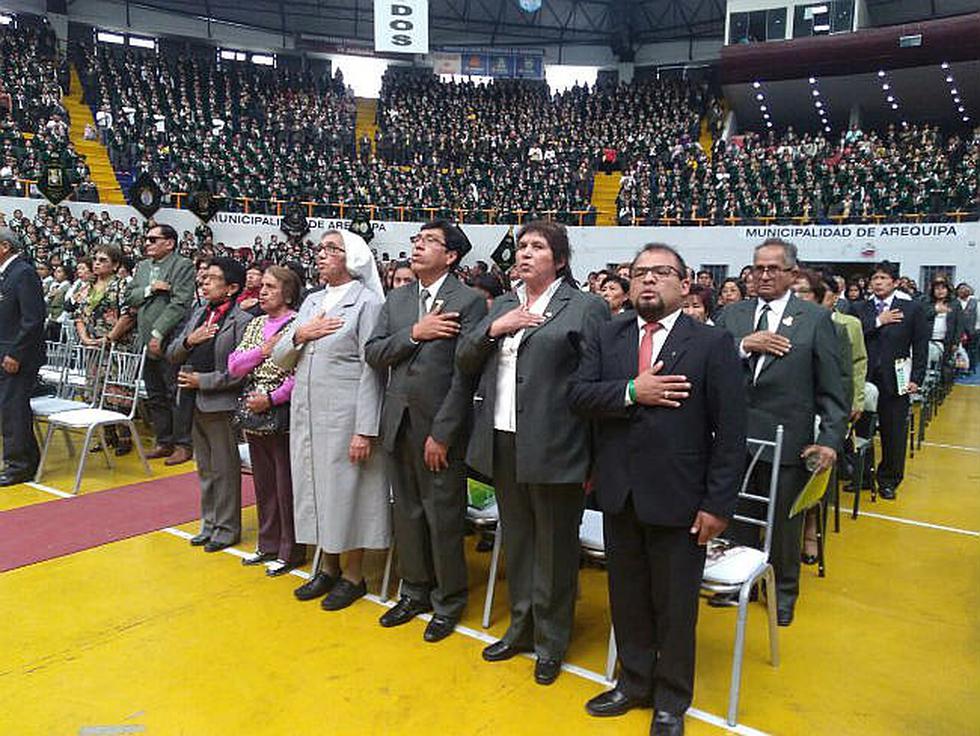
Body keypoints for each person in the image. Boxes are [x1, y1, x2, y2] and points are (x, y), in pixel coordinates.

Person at [568, 244, 746, 736]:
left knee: (674, 605)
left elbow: (731, 431)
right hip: (620, 491)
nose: (648, 281)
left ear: (684, 285)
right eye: (640, 273)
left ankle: (671, 700)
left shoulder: (711, 343)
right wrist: (631, 391)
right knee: (626, 597)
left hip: (682, 496)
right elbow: (579, 395)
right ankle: (634, 682)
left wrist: (718, 504)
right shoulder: (608, 335)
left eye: (661, 272)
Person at [457, 221, 608, 686]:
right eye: (522, 247)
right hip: (502, 437)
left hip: (557, 444)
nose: (524, 254)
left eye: (537, 247)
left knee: (555, 547)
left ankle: (551, 639)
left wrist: (593, 458)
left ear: (559, 260)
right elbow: (464, 359)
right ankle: (520, 626)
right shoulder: (503, 303)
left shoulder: (586, 307)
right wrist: (495, 328)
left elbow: (595, 385)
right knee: (518, 539)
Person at [364, 220, 487, 643]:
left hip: (437, 429)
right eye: (416, 240)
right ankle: (413, 589)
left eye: (429, 241)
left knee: (443, 515)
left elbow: (465, 375)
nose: (417, 246)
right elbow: (374, 353)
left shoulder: (468, 301)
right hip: (398, 422)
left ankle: (448, 599)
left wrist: (445, 433)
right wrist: (415, 333)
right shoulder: (398, 299)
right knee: (408, 511)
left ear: (451, 255)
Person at [713, 239, 847, 626]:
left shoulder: (815, 319)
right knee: (736, 515)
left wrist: (830, 440)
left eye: (773, 268)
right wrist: (742, 346)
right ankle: (737, 583)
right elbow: (712, 364)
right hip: (735, 436)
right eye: (758, 268)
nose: (764, 275)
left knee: (784, 526)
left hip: (788, 439)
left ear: (792, 274)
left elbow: (832, 389)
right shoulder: (732, 315)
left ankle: (783, 591)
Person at [274, 230, 390, 608]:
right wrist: (300, 335)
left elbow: (373, 371)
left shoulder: (367, 303)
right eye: (320, 248)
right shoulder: (311, 303)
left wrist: (364, 429)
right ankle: (327, 566)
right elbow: (279, 357)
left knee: (348, 493)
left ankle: (353, 574)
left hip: (344, 417)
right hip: (307, 414)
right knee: (315, 489)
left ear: (352, 258)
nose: (321, 255)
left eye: (331, 249)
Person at [167, 258, 253, 552]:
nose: (204, 281)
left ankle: (227, 528)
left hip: (220, 404)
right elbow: (172, 352)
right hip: (192, 402)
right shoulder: (198, 313)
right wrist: (190, 341)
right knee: (204, 467)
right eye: (204, 277)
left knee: (225, 469)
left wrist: (202, 381)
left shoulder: (241, 322)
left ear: (231, 288)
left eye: (213, 278)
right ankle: (209, 522)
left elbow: (240, 371)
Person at [228, 265, 301, 576]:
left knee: (286, 484)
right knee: (263, 481)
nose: (263, 290)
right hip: (253, 412)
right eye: (263, 286)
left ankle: (291, 549)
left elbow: (298, 374)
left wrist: (271, 398)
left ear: (287, 292)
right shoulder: (257, 324)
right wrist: (263, 351)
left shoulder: (298, 323)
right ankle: (268, 542)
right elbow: (234, 366)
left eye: (271, 286)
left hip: (281, 412)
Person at [126, 223, 197, 465]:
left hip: (170, 339)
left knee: (175, 393)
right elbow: (129, 296)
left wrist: (158, 333)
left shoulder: (182, 265)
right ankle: (163, 441)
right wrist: (150, 289)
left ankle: (183, 444)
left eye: (153, 239)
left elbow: (180, 303)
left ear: (170, 242)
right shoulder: (143, 267)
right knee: (155, 394)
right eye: (146, 239)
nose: (147, 243)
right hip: (145, 339)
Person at [857, 261, 929, 500]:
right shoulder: (861, 308)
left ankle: (888, 480)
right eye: (875, 278)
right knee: (861, 428)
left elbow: (920, 346)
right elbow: (855, 334)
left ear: (895, 282)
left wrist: (917, 378)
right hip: (866, 378)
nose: (878, 283)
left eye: (883, 278)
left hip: (896, 377)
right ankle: (863, 477)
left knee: (894, 431)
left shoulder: (912, 308)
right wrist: (880, 320)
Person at [74, 244, 137, 455]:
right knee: (95, 390)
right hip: (93, 347)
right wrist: (85, 337)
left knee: (116, 391)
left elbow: (128, 316)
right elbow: (79, 316)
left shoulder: (122, 286)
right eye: (96, 259)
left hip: (117, 347)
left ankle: (125, 437)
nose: (97, 264)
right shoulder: (87, 287)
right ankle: (107, 435)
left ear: (116, 265)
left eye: (103, 260)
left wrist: (109, 338)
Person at [0, 228, 46, 485]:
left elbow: (33, 319)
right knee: (10, 409)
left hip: (18, 356)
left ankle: (17, 466)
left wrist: (16, 353)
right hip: (6, 351)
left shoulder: (23, 272)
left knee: (12, 410)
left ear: (5, 246)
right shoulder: (7, 273)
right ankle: (27, 459)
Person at [955, 282, 977, 373]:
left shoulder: (974, 302)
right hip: (957, 330)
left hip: (972, 330)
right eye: (961, 289)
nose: (963, 291)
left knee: (972, 350)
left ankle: (971, 368)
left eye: (965, 288)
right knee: (958, 350)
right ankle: (958, 368)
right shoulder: (955, 302)